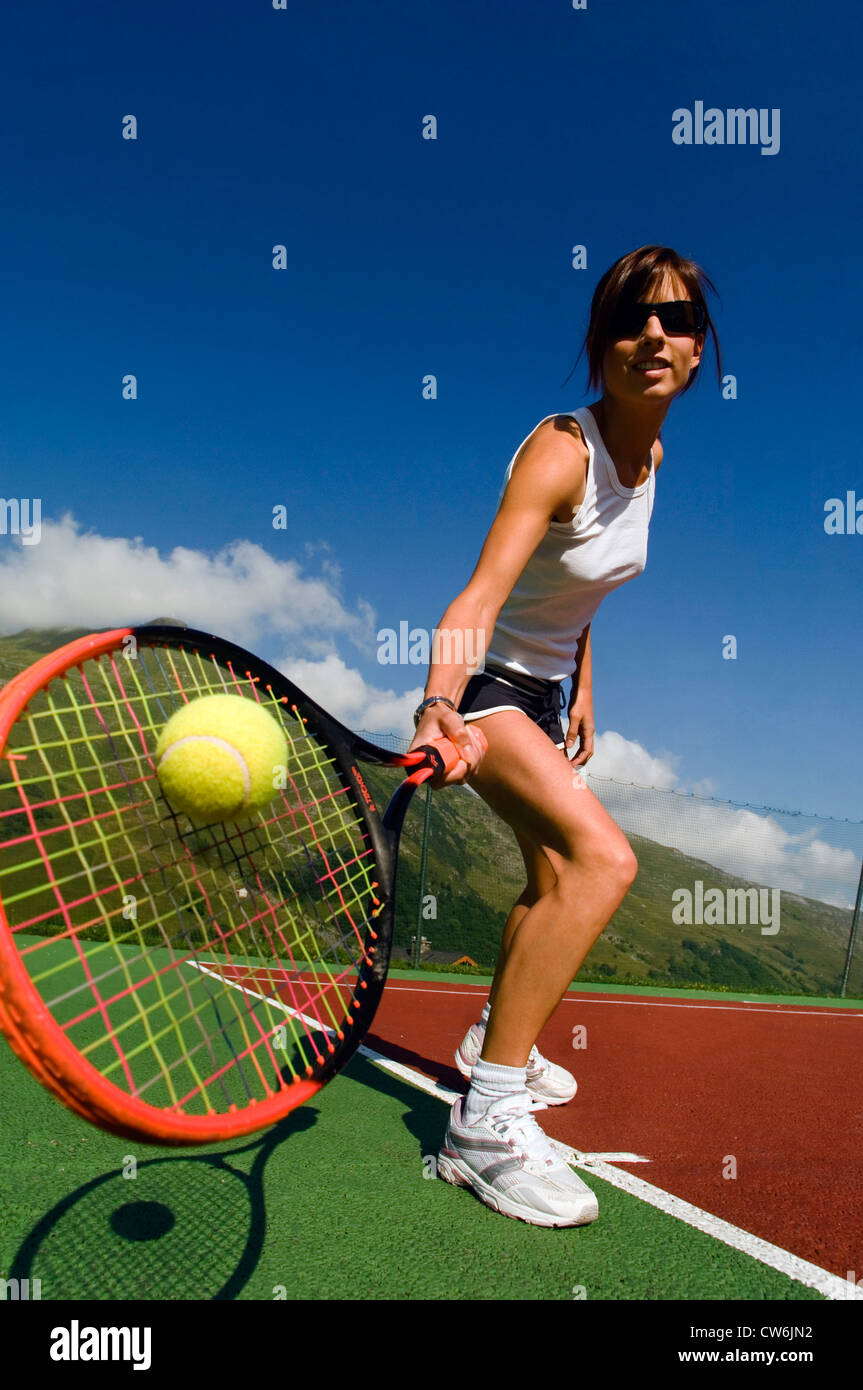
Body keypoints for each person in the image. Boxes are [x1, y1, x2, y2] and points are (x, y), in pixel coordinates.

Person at [407, 244, 722, 1227]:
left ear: (699, 349)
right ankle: (484, 1120)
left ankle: (491, 1043)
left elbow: (578, 589)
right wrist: (436, 704)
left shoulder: (653, 457)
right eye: (631, 320)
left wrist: (584, 684)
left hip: (545, 692)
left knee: (546, 884)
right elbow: (482, 592)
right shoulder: (562, 448)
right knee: (601, 863)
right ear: (599, 346)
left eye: (674, 320)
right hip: (489, 687)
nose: (653, 337)